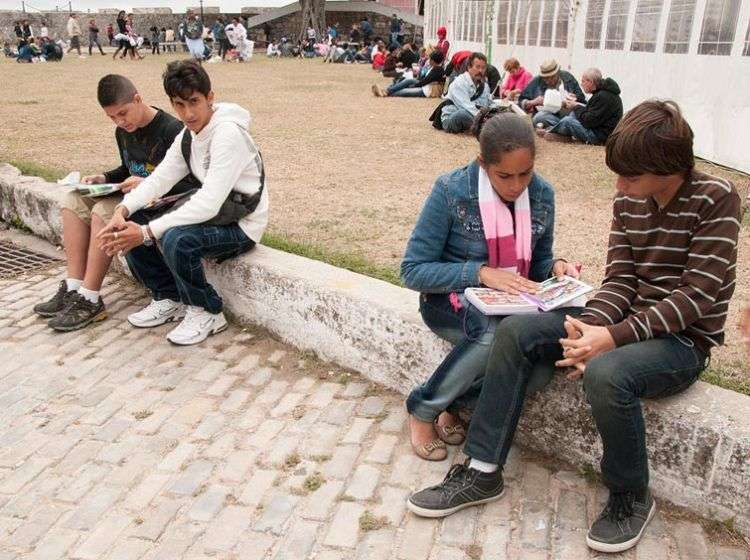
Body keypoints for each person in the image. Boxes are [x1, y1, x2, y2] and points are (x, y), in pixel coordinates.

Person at [407, 99, 741, 554]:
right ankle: (482, 471)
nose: (620, 187)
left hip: (681, 340)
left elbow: (696, 297)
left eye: (630, 177)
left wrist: (611, 337)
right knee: (518, 330)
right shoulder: (630, 199)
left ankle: (629, 496)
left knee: (608, 372)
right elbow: (621, 280)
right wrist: (593, 326)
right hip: (622, 323)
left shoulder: (717, 198)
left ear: (667, 167)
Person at [401, 108, 578, 460]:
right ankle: (422, 408)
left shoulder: (542, 194)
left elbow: (538, 261)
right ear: (483, 163)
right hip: (449, 301)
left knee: (541, 369)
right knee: (495, 333)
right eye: (504, 176)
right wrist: (480, 273)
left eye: (524, 174)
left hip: (515, 303)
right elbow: (413, 270)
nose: (516, 186)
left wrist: (557, 267)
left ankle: (456, 405)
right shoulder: (451, 190)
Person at [98, 60, 268, 346]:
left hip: (240, 224)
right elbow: (160, 179)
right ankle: (170, 297)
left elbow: (209, 202)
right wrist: (122, 210)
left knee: (176, 238)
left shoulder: (228, 134)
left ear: (210, 97)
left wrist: (147, 233)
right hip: (216, 216)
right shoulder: (188, 135)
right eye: (179, 104)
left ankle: (208, 311)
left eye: (194, 102)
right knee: (134, 221)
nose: (188, 113)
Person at [34, 74, 198, 331]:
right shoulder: (122, 132)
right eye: (112, 117)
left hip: (161, 201)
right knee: (73, 199)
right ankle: (74, 286)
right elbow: (127, 168)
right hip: (132, 195)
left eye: (123, 113)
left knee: (104, 210)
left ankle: (90, 297)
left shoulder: (171, 130)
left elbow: (191, 181)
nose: (120, 122)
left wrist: (146, 183)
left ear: (137, 99)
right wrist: (103, 178)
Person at [543, 68, 623, 145]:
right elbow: (591, 111)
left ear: (590, 82)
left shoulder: (603, 96)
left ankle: (551, 132)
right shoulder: (602, 93)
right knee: (574, 114)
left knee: (568, 121)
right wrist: (576, 102)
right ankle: (560, 133)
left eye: (583, 81)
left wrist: (576, 106)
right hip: (598, 129)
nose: (581, 84)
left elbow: (589, 121)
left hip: (600, 136)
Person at [519, 58, 585, 129]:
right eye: (545, 78)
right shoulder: (537, 81)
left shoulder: (567, 77)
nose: (549, 80)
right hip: (550, 116)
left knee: (576, 116)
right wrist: (533, 102)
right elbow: (521, 101)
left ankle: (561, 128)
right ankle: (565, 128)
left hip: (568, 114)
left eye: (552, 77)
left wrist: (574, 97)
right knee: (538, 118)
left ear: (558, 73)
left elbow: (581, 98)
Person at [439, 52, 492, 134]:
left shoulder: (485, 86)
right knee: (462, 114)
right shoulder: (459, 82)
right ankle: (488, 128)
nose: (480, 70)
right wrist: (485, 119)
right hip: (452, 117)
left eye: (483, 68)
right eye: (477, 67)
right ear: (469, 67)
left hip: (476, 117)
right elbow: (466, 106)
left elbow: (487, 104)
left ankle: (487, 127)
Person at [372, 50, 445, 98]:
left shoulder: (437, 69)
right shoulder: (434, 67)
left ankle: (385, 93)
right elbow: (425, 79)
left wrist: (413, 86)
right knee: (408, 80)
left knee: (403, 91)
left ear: (433, 60)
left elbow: (425, 81)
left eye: (430, 59)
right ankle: (386, 90)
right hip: (426, 86)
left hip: (427, 91)